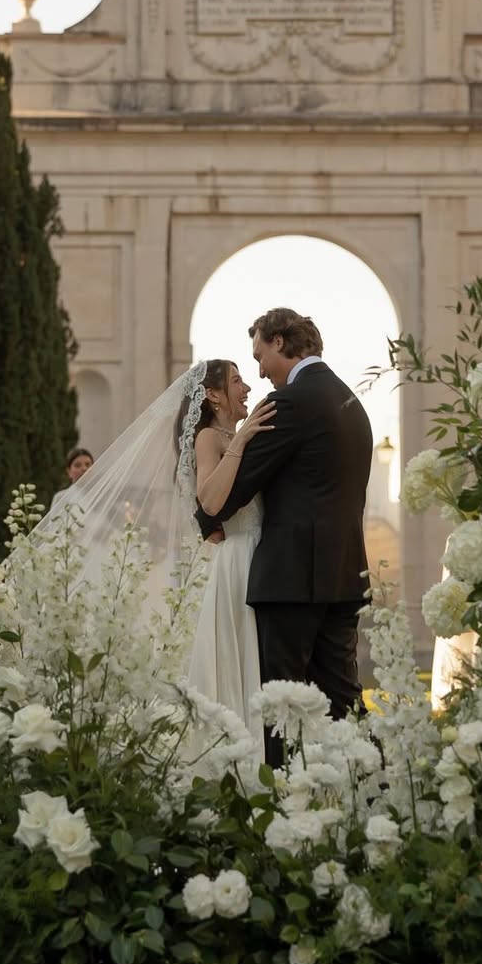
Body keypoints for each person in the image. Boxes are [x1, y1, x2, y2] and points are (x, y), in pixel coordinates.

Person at [195, 308, 373, 766]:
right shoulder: (350, 401)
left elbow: (229, 494)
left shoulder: (291, 402)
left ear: (279, 341)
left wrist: (208, 517)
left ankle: (282, 806)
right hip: (343, 575)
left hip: (293, 581)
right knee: (342, 700)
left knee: (281, 709)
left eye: (260, 355)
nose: (258, 371)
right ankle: (376, 792)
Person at [183, 361, 274, 746]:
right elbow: (209, 499)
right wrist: (240, 440)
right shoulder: (209, 437)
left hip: (259, 554)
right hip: (237, 559)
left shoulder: (237, 434)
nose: (247, 388)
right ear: (213, 395)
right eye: (237, 380)